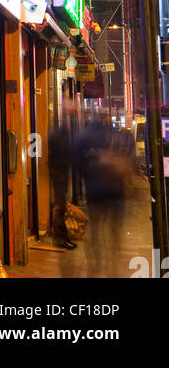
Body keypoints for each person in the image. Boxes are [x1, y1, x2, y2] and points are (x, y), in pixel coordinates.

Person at [73, 112, 127, 276]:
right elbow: (126, 158)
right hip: (115, 191)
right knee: (115, 231)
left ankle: (96, 265)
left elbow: (76, 164)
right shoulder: (113, 135)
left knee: (96, 229)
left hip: (95, 191)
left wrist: (88, 175)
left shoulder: (82, 137)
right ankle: (114, 266)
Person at [47, 122, 75, 248]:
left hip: (60, 177)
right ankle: (60, 238)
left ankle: (63, 237)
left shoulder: (59, 140)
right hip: (59, 177)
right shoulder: (58, 141)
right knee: (59, 208)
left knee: (61, 208)